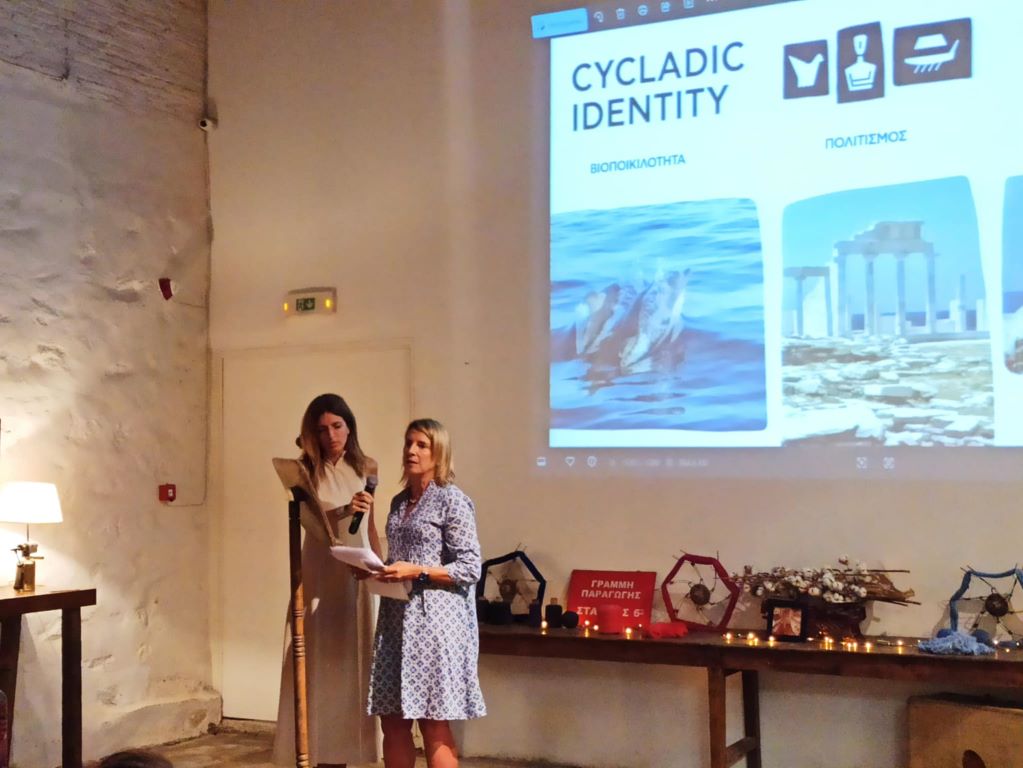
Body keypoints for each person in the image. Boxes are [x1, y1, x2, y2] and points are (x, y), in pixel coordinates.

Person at [368, 418, 486, 768]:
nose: (411, 450)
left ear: (439, 452)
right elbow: (396, 558)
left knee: (433, 723)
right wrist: (377, 569)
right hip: (395, 620)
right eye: (408, 443)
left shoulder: (452, 500)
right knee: (392, 720)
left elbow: (470, 567)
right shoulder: (398, 502)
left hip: (435, 624)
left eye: (421, 445)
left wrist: (416, 570)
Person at [272, 393, 381, 768]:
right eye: (322, 429)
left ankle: (347, 755)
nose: (331, 435)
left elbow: (370, 526)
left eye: (337, 426)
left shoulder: (367, 465)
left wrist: (380, 568)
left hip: (356, 571)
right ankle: (314, 751)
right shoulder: (303, 471)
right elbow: (310, 521)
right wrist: (344, 509)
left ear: (349, 427)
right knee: (315, 663)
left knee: (353, 664)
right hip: (319, 569)